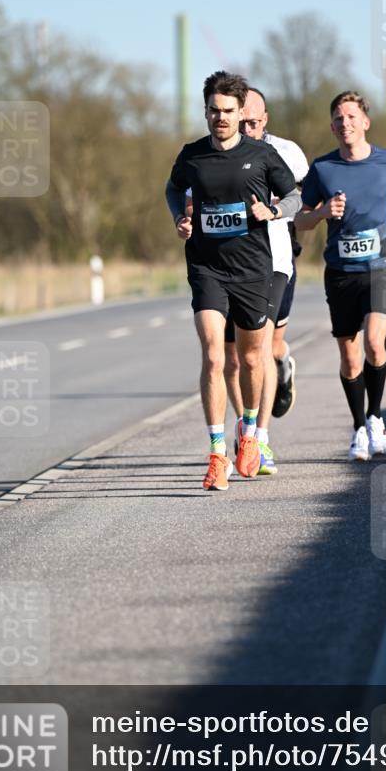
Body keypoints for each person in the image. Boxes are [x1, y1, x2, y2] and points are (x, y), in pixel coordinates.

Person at [165, 71, 301, 491]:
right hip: (207, 267)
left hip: (252, 270)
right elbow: (173, 189)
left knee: (253, 359)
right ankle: (216, 454)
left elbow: (295, 194)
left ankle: (248, 433)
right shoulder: (192, 155)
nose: (219, 118)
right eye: (213, 110)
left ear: (241, 112)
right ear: (205, 111)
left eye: (227, 111)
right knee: (213, 355)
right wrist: (180, 217)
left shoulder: (260, 155)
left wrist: (275, 212)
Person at [295, 91, 386, 461]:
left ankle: (376, 416)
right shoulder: (322, 169)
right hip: (341, 272)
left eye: (350, 116)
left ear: (365, 122)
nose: (343, 123)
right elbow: (300, 219)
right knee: (350, 359)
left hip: (381, 265)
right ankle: (359, 428)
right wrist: (321, 214)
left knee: (375, 345)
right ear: (331, 126)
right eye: (337, 118)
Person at [223, 87, 309, 475]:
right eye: (243, 123)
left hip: (273, 261)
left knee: (260, 346)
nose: (249, 128)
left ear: (266, 118)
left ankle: (262, 440)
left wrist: (274, 212)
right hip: (226, 264)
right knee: (233, 358)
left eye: (255, 122)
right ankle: (245, 430)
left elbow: (298, 197)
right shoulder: (217, 151)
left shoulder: (286, 152)